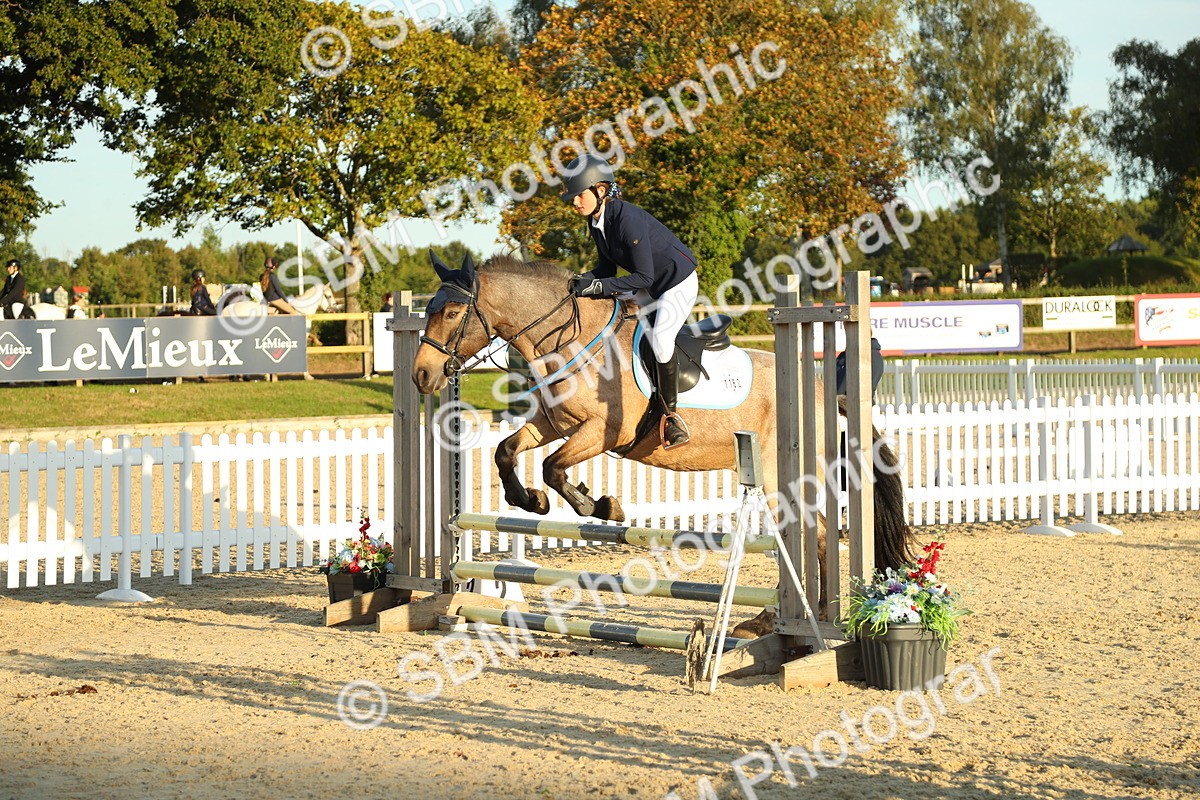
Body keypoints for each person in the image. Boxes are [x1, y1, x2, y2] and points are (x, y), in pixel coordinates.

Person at [559, 155, 698, 449]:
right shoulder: (596, 221)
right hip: (648, 284)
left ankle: (670, 417)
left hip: (676, 283)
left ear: (600, 190)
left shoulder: (628, 220)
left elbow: (644, 277)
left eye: (579, 195)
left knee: (661, 340)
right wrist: (574, 281)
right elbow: (607, 271)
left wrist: (597, 285)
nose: (575, 202)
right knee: (614, 321)